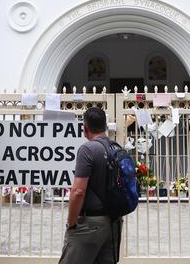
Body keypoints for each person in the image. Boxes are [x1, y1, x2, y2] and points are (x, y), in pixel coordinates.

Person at [60, 106, 121, 264]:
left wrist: (72, 224)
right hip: (114, 223)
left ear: (85, 128)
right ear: (105, 125)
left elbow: (78, 191)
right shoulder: (116, 147)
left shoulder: (87, 149)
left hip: (91, 224)